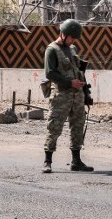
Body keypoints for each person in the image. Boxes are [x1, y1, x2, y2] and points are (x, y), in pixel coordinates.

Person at [41, 19, 94, 174]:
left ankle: (76, 161)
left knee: (77, 127)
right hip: (61, 95)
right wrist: (70, 83)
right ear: (63, 34)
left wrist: (86, 94)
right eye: (72, 37)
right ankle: (47, 161)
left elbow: (80, 72)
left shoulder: (72, 49)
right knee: (54, 127)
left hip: (77, 96)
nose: (73, 41)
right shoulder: (51, 50)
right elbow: (50, 73)